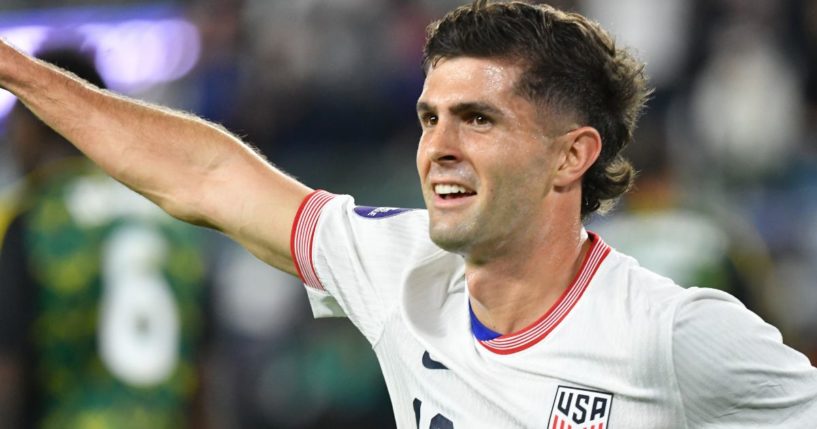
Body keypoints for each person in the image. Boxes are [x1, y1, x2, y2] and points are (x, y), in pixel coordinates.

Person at [0, 1, 815, 427]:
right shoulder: (397, 265)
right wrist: (19, 73)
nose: (438, 148)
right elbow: (210, 175)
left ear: (572, 155)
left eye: (479, 119)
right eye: (430, 117)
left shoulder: (671, 333)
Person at [0, 48, 212, 429]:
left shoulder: (34, 218)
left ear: (34, 121)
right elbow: (204, 373)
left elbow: (8, 367)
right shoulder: (171, 217)